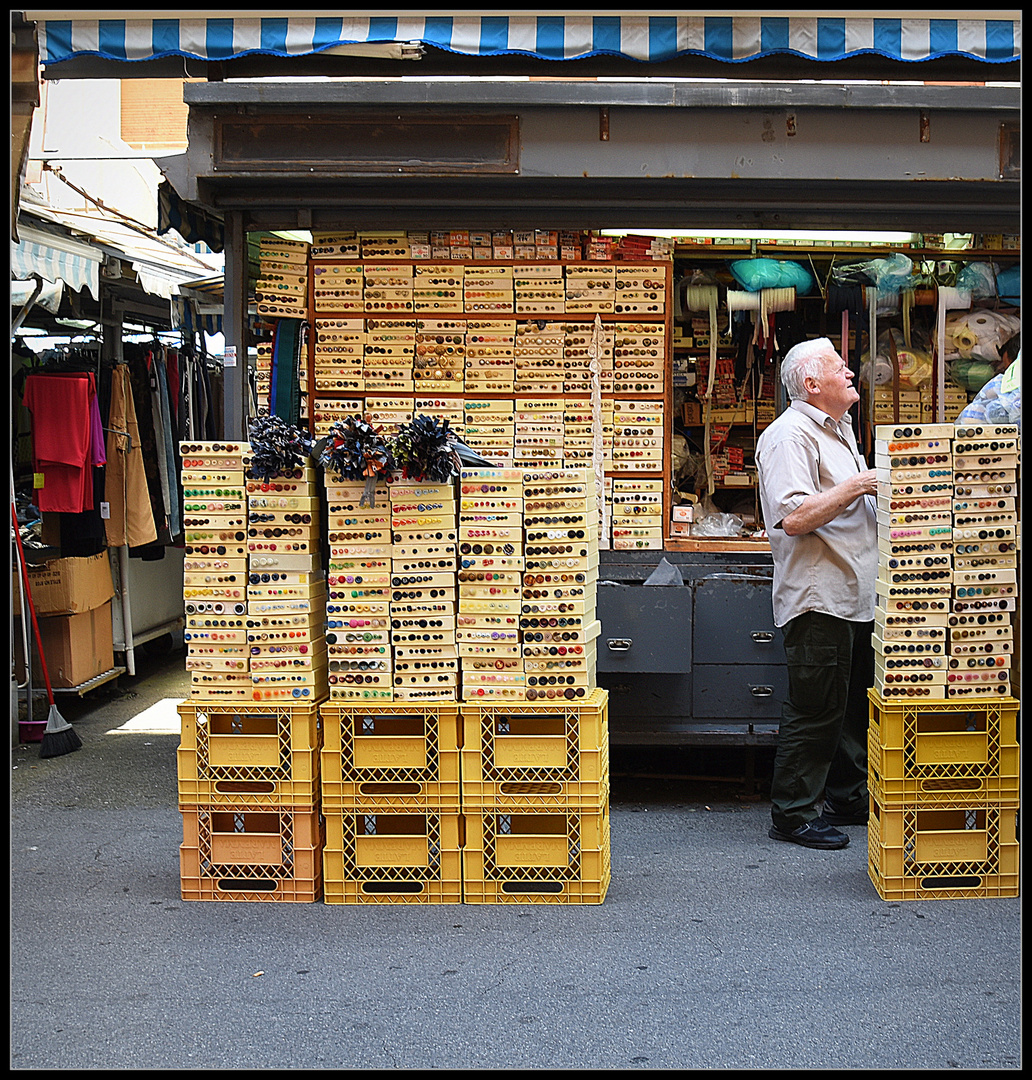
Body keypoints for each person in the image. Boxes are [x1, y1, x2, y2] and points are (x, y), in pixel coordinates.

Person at [755, 338, 879, 850]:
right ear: (811, 384)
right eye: (838, 367)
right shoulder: (790, 435)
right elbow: (794, 516)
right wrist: (860, 485)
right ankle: (793, 813)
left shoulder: (839, 431)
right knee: (816, 708)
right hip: (818, 596)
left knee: (849, 707)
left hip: (854, 594)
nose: (850, 372)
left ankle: (848, 798)